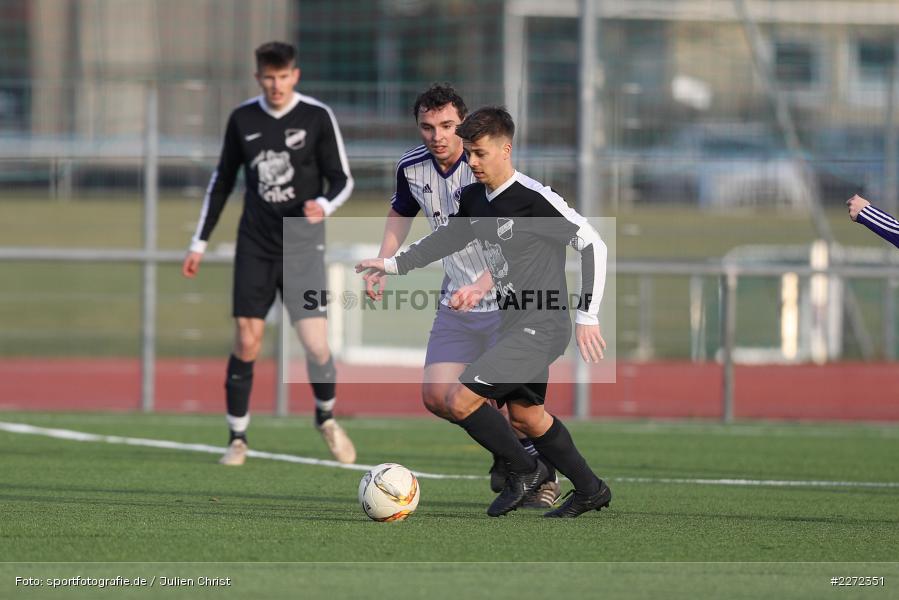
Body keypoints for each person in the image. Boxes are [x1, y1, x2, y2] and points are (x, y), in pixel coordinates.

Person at [356, 106, 611, 518]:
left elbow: (592, 244)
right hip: (513, 323)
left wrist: (587, 315)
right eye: (469, 153)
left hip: (542, 324)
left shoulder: (533, 199)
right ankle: (591, 489)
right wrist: (392, 265)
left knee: (460, 399)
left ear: (506, 149)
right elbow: (447, 239)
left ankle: (525, 471)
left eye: (480, 154)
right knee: (527, 419)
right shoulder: (475, 196)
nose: (471, 162)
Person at [181, 41, 356, 466]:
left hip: (302, 245)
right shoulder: (243, 118)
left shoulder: (316, 116)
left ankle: (326, 419)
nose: (276, 85)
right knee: (247, 339)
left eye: (283, 77)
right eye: (269, 78)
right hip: (255, 244)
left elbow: (342, 179)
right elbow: (221, 182)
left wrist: (325, 205)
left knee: (316, 345)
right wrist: (198, 243)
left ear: (295, 75)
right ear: (258, 77)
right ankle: (237, 439)